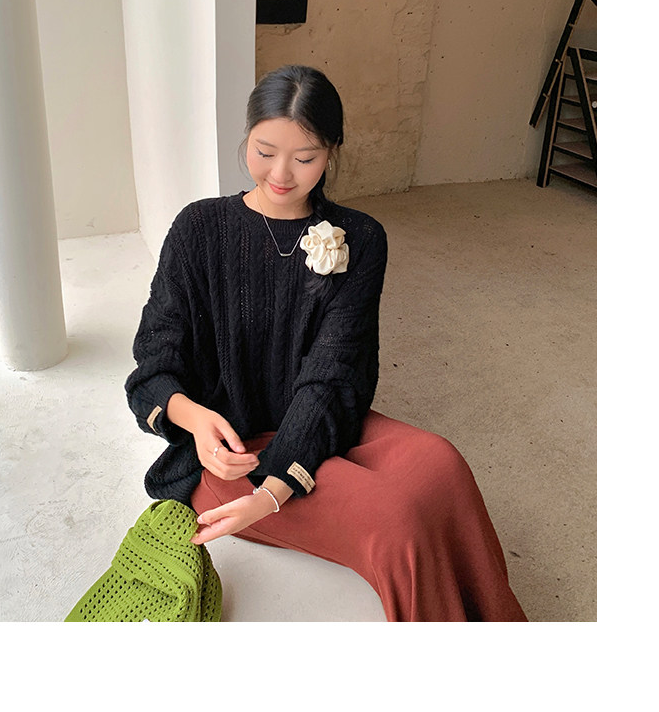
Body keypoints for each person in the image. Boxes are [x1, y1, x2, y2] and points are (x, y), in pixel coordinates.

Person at [125, 64, 527, 622]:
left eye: (305, 157)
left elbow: (334, 372)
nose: (281, 173)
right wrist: (195, 421)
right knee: (397, 522)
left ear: (332, 152)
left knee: (443, 465)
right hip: (234, 458)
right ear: (247, 137)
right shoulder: (198, 229)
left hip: (319, 422)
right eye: (265, 151)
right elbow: (154, 358)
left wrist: (275, 493)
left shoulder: (360, 238)